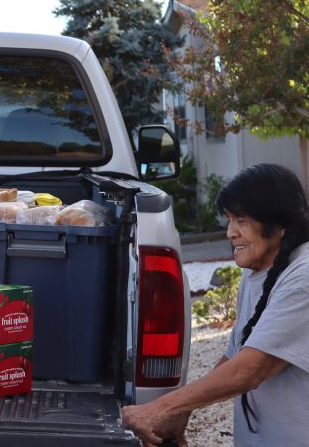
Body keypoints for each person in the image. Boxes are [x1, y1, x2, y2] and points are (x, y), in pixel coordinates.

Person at [121, 163, 309, 446]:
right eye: (229, 220)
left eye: (242, 221)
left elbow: (250, 369)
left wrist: (157, 409)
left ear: (279, 224)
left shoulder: (302, 278)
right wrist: (183, 408)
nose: (230, 232)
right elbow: (236, 354)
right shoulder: (259, 268)